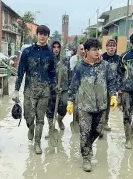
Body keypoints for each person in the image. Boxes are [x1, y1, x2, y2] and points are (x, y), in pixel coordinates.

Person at [67, 38, 117, 172]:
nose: (97, 52)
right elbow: (73, 86)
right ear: (87, 51)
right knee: (85, 132)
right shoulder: (80, 67)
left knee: (97, 131)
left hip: (101, 106)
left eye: (98, 49)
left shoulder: (105, 66)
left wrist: (113, 96)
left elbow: (112, 82)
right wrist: (70, 102)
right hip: (84, 107)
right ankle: (86, 158)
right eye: (94, 49)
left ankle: (86, 147)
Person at [12, 25, 57, 154]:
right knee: (28, 117)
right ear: (37, 35)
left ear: (48, 37)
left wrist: (55, 86)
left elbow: (52, 73)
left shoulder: (50, 54)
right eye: (40, 34)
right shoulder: (27, 52)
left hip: (44, 91)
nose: (42, 36)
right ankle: (30, 128)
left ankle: (37, 144)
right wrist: (16, 89)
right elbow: (21, 71)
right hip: (29, 91)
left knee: (40, 119)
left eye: (45, 34)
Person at [45, 40, 70, 137]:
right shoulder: (48, 59)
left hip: (63, 88)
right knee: (50, 109)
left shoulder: (65, 60)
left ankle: (60, 120)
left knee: (63, 106)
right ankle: (51, 128)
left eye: (58, 47)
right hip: (51, 89)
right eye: (54, 47)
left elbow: (69, 74)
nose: (56, 49)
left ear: (60, 49)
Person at [100, 39, 120, 137]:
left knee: (108, 105)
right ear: (106, 47)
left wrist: (118, 86)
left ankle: (105, 122)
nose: (112, 47)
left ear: (115, 47)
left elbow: (120, 73)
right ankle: (100, 123)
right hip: (102, 85)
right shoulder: (102, 57)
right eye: (110, 46)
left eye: (113, 46)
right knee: (101, 105)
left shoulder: (118, 58)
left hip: (112, 86)